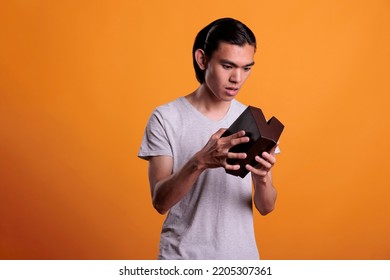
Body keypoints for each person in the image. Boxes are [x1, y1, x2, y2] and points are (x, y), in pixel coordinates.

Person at [138, 18, 279, 260]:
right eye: (227, 66)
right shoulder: (166, 117)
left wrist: (262, 178)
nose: (238, 78)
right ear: (202, 59)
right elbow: (160, 202)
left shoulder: (254, 120)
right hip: (182, 259)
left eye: (246, 68)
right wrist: (199, 161)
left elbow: (266, 207)